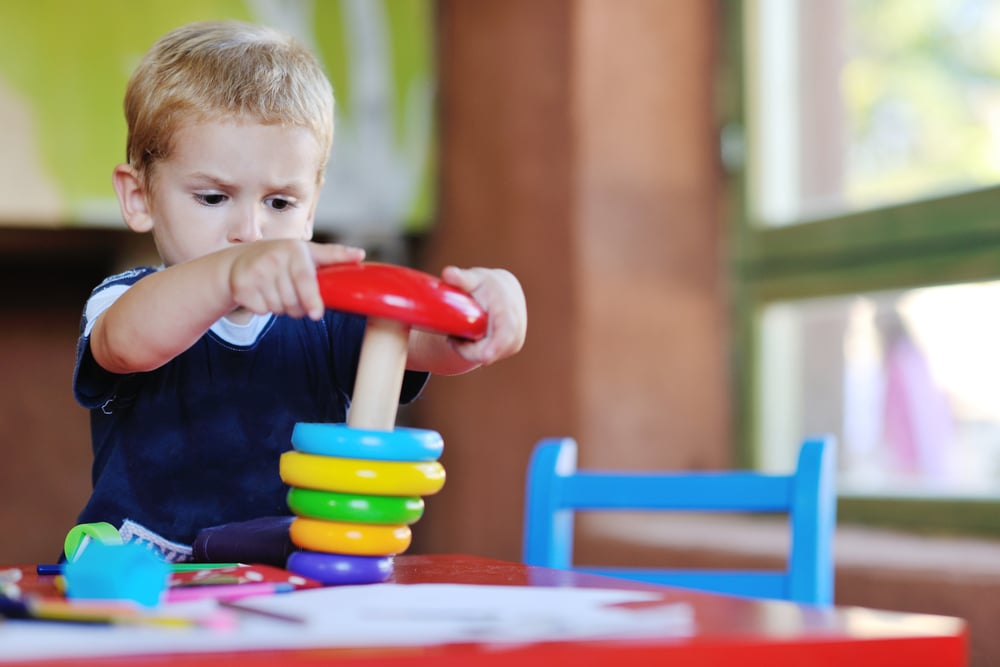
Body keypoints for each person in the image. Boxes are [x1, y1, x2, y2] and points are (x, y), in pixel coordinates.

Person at [71, 20, 527, 562]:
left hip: (290, 574)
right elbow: (127, 343)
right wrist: (231, 274)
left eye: (280, 203)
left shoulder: (326, 313)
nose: (251, 231)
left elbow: (431, 340)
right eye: (214, 198)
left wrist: (494, 306)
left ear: (311, 208)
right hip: (149, 579)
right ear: (139, 196)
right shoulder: (124, 301)